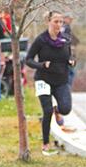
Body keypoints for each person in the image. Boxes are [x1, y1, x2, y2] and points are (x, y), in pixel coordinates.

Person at [26, 11, 76, 156]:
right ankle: (46, 143)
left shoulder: (66, 39)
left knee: (66, 109)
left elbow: (71, 55)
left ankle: (57, 111)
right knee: (47, 111)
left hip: (61, 80)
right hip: (44, 79)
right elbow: (28, 59)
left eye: (61, 22)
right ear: (48, 21)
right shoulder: (41, 40)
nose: (59, 25)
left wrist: (72, 61)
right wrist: (42, 65)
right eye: (56, 21)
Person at [61, 12, 79, 87]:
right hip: (67, 53)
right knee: (70, 72)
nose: (71, 20)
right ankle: (67, 87)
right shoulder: (65, 27)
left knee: (71, 71)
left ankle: (67, 87)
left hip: (68, 53)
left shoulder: (66, 27)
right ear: (65, 18)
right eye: (69, 19)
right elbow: (64, 39)